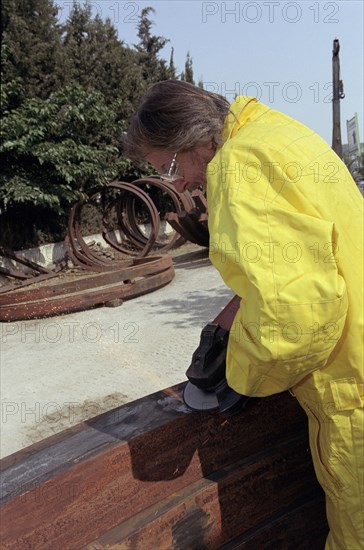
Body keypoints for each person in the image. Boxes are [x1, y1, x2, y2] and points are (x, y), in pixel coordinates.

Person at [124, 80, 364, 550]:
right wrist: (237, 311)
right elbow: (315, 262)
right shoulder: (278, 133)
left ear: (195, 139)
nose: (175, 184)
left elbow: (297, 318)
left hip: (353, 393)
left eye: (169, 167)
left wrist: (241, 374)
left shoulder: (238, 166)